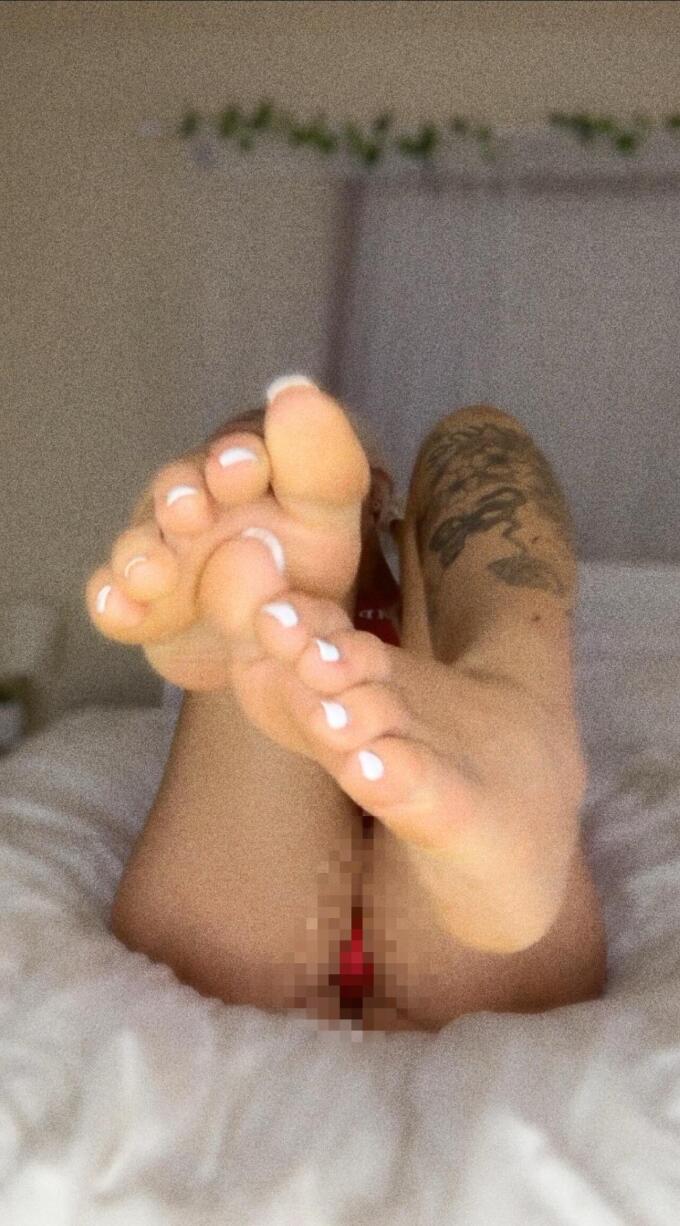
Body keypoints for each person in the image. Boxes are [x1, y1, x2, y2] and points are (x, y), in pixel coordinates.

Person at [86, 377, 607, 1033]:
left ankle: (514, 697)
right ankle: (250, 560)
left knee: (474, 443)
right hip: (287, 934)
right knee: (266, 611)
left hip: (235, 945)